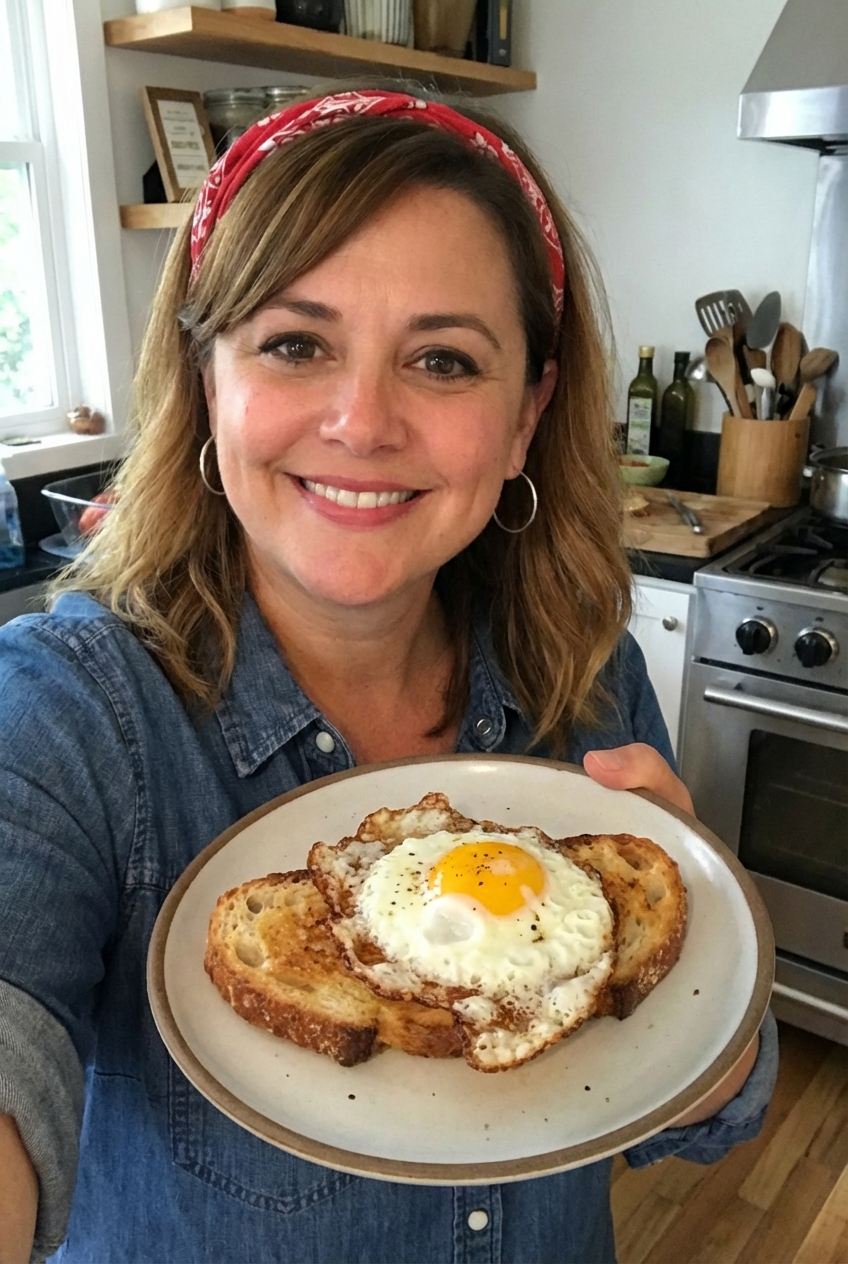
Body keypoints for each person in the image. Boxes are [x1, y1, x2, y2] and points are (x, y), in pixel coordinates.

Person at [0, 87, 776, 1264]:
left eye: (442, 359)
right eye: (295, 343)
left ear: (526, 417)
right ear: (209, 379)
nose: (362, 422)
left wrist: (703, 963)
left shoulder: (589, 671)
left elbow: (709, 1107)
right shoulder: (60, 714)